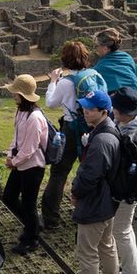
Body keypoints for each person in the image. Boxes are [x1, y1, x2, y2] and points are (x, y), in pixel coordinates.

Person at [62, 90, 121, 274]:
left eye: (91, 109)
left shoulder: (101, 141)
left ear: (104, 112)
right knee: (107, 245)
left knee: (87, 252)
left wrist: (76, 191)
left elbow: (89, 176)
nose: (85, 112)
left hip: (95, 202)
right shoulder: (108, 132)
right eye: (85, 107)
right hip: (107, 202)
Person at [41, 40, 91, 230]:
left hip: (71, 128)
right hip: (91, 126)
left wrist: (53, 81)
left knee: (59, 172)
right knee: (89, 169)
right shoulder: (92, 75)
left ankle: (50, 218)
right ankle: (88, 210)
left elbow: (51, 103)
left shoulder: (66, 83)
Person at [2, 74, 49, 255]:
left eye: (16, 93)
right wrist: (9, 155)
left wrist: (13, 161)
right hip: (21, 164)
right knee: (9, 197)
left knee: (29, 203)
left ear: (22, 95)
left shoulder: (34, 117)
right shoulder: (21, 111)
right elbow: (16, 138)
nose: (13, 95)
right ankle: (33, 225)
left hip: (33, 166)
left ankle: (32, 238)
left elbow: (30, 148)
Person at [111, 89, 137, 274]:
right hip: (133, 186)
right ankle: (131, 265)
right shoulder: (135, 123)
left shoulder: (130, 135)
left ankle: (131, 273)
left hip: (128, 188)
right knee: (125, 227)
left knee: (120, 230)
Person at [90, 27, 137, 96]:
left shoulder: (100, 69)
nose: (96, 48)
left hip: (118, 103)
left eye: (97, 46)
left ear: (105, 48)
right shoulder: (127, 58)